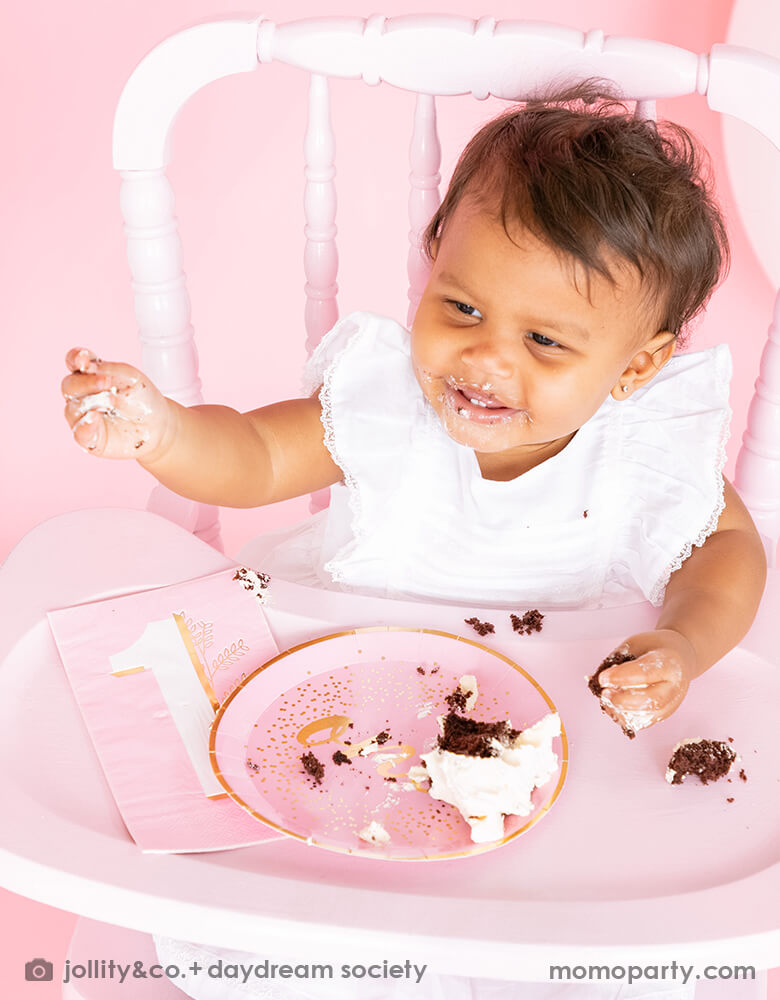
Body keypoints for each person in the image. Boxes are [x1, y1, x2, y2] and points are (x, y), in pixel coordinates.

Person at [61, 87, 767, 999]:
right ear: (430, 263)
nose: (484, 359)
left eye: (545, 340)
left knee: (626, 960)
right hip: (345, 719)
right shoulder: (387, 404)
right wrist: (164, 433)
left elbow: (727, 555)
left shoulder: (640, 457)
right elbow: (254, 454)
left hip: (553, 750)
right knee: (258, 943)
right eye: (462, 307)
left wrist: (684, 642)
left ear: (633, 366)